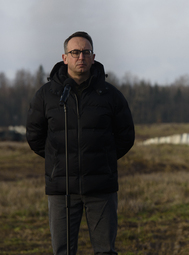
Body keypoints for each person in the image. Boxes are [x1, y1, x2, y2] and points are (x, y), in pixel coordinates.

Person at [26, 31, 135, 255]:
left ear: (93, 57)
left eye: (86, 52)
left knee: (105, 250)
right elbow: (34, 136)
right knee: (63, 251)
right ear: (65, 57)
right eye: (75, 52)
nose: (81, 57)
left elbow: (126, 135)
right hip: (62, 189)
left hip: (101, 189)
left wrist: (101, 160)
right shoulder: (46, 95)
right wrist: (59, 161)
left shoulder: (110, 95)